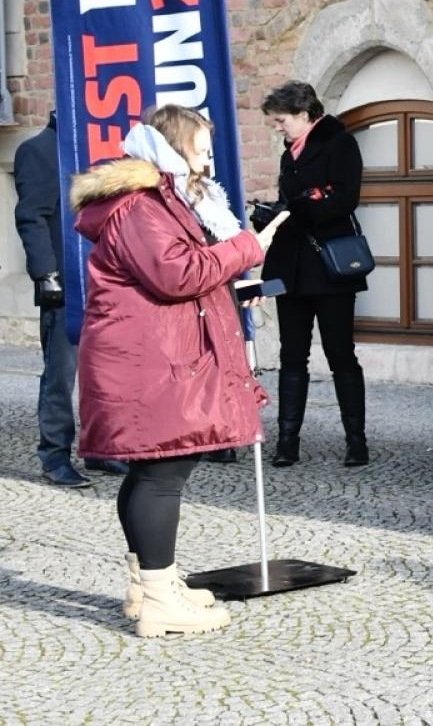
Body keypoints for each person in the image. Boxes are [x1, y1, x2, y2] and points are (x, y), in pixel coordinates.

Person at [70, 105, 288, 637]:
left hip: (153, 356)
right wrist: (248, 248)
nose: (209, 159)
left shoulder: (154, 203)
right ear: (172, 147)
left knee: (155, 471)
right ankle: (160, 597)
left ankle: (149, 583)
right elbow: (177, 274)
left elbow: (178, 276)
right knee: (163, 475)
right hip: (150, 362)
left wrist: (235, 284)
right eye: (201, 148)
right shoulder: (141, 207)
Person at [259, 81, 369, 468]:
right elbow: (298, 201)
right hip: (292, 266)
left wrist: (300, 208)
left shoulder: (340, 143)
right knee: (292, 355)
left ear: (305, 116)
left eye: (281, 120)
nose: (277, 127)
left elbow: (345, 198)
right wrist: (275, 211)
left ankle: (356, 440)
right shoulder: (291, 151)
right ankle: (287, 440)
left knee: (341, 354)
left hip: (331, 266)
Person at [15, 112, 126, 487]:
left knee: (105, 372)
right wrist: (45, 273)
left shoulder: (97, 151)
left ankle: (99, 449)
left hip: (102, 280)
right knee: (61, 375)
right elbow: (31, 215)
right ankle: (54, 453)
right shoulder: (38, 150)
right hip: (64, 284)